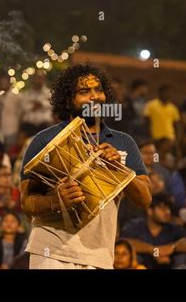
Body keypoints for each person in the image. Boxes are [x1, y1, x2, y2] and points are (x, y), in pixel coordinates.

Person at [21, 64, 151, 269]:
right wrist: (55, 201)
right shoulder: (44, 140)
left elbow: (145, 200)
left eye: (98, 90)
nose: (94, 96)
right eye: (84, 91)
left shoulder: (124, 142)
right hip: (50, 249)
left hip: (98, 255)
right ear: (67, 99)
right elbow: (26, 202)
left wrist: (120, 170)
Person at [121, 193, 186, 269]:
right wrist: (153, 250)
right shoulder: (136, 225)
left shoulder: (174, 228)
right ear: (150, 211)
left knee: (183, 257)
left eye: (169, 209)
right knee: (135, 257)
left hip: (170, 266)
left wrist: (172, 247)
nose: (168, 212)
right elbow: (123, 242)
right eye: (163, 208)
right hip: (143, 266)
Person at [19, 70, 53, 137]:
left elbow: (51, 104)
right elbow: (24, 106)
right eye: (37, 78)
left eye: (41, 78)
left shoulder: (49, 93)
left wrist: (41, 104)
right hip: (29, 126)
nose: (39, 80)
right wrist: (34, 106)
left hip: (44, 125)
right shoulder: (27, 94)